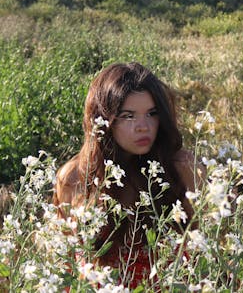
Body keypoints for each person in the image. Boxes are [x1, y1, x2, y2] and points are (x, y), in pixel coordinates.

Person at [53, 62, 204, 288]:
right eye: (128, 116)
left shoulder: (181, 168)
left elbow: (208, 250)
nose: (143, 126)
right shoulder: (74, 177)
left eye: (152, 114)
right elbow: (65, 264)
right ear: (104, 120)